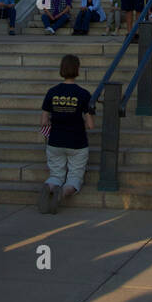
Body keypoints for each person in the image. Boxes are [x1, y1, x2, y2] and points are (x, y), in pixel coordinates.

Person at [38, 54, 95, 214]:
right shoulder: (83, 94)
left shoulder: (52, 92)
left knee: (56, 174)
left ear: (61, 69)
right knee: (75, 177)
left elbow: (44, 121)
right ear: (77, 70)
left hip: (55, 141)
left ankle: (49, 187)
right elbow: (90, 125)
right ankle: (61, 194)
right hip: (77, 142)